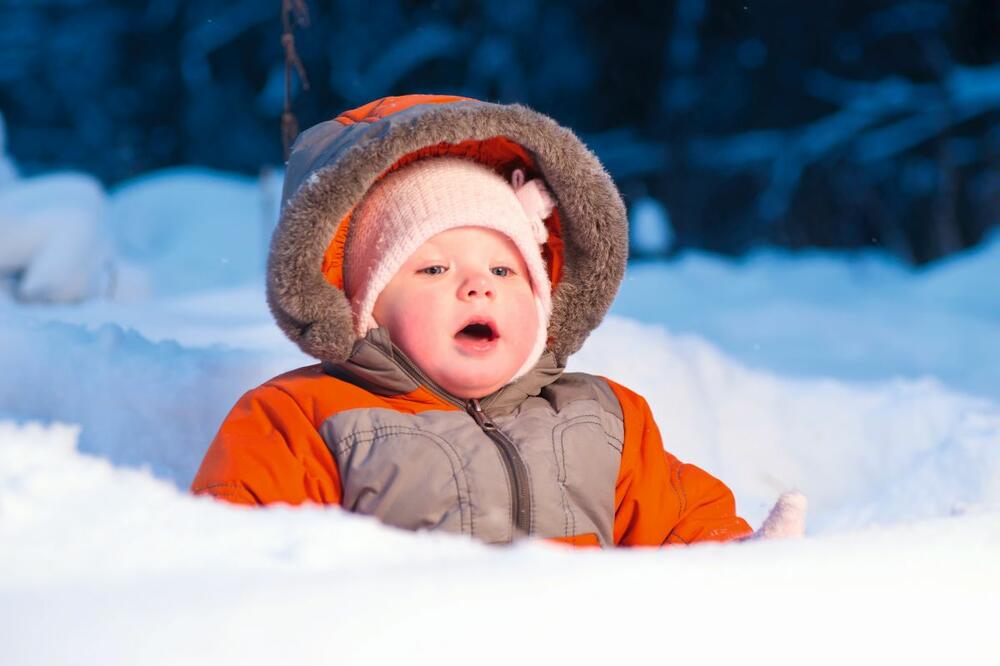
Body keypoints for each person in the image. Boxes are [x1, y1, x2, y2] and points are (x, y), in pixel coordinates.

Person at [192, 94, 805, 547]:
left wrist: (744, 565)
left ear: (540, 302)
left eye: (506, 271)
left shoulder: (606, 420)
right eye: (433, 270)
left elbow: (681, 527)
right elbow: (236, 559)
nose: (477, 284)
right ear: (363, 306)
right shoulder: (302, 421)